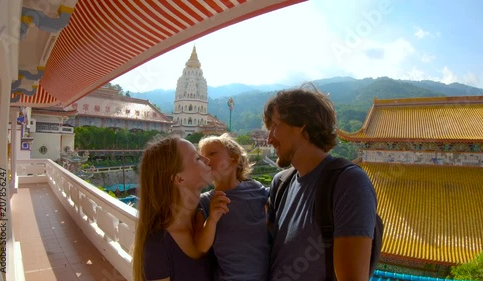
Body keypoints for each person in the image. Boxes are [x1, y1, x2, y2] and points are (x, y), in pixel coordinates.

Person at [264, 85, 377, 281]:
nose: (269, 138)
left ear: (301, 124)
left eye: (275, 125)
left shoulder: (348, 183)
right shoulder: (281, 183)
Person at [132, 135, 215, 281]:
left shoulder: (210, 209)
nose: (207, 160)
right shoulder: (157, 247)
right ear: (179, 178)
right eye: (197, 158)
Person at [194, 133, 271, 281]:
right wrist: (212, 220)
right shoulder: (204, 201)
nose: (205, 160)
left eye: (211, 153)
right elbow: (201, 247)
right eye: (201, 157)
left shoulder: (257, 189)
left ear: (233, 158)